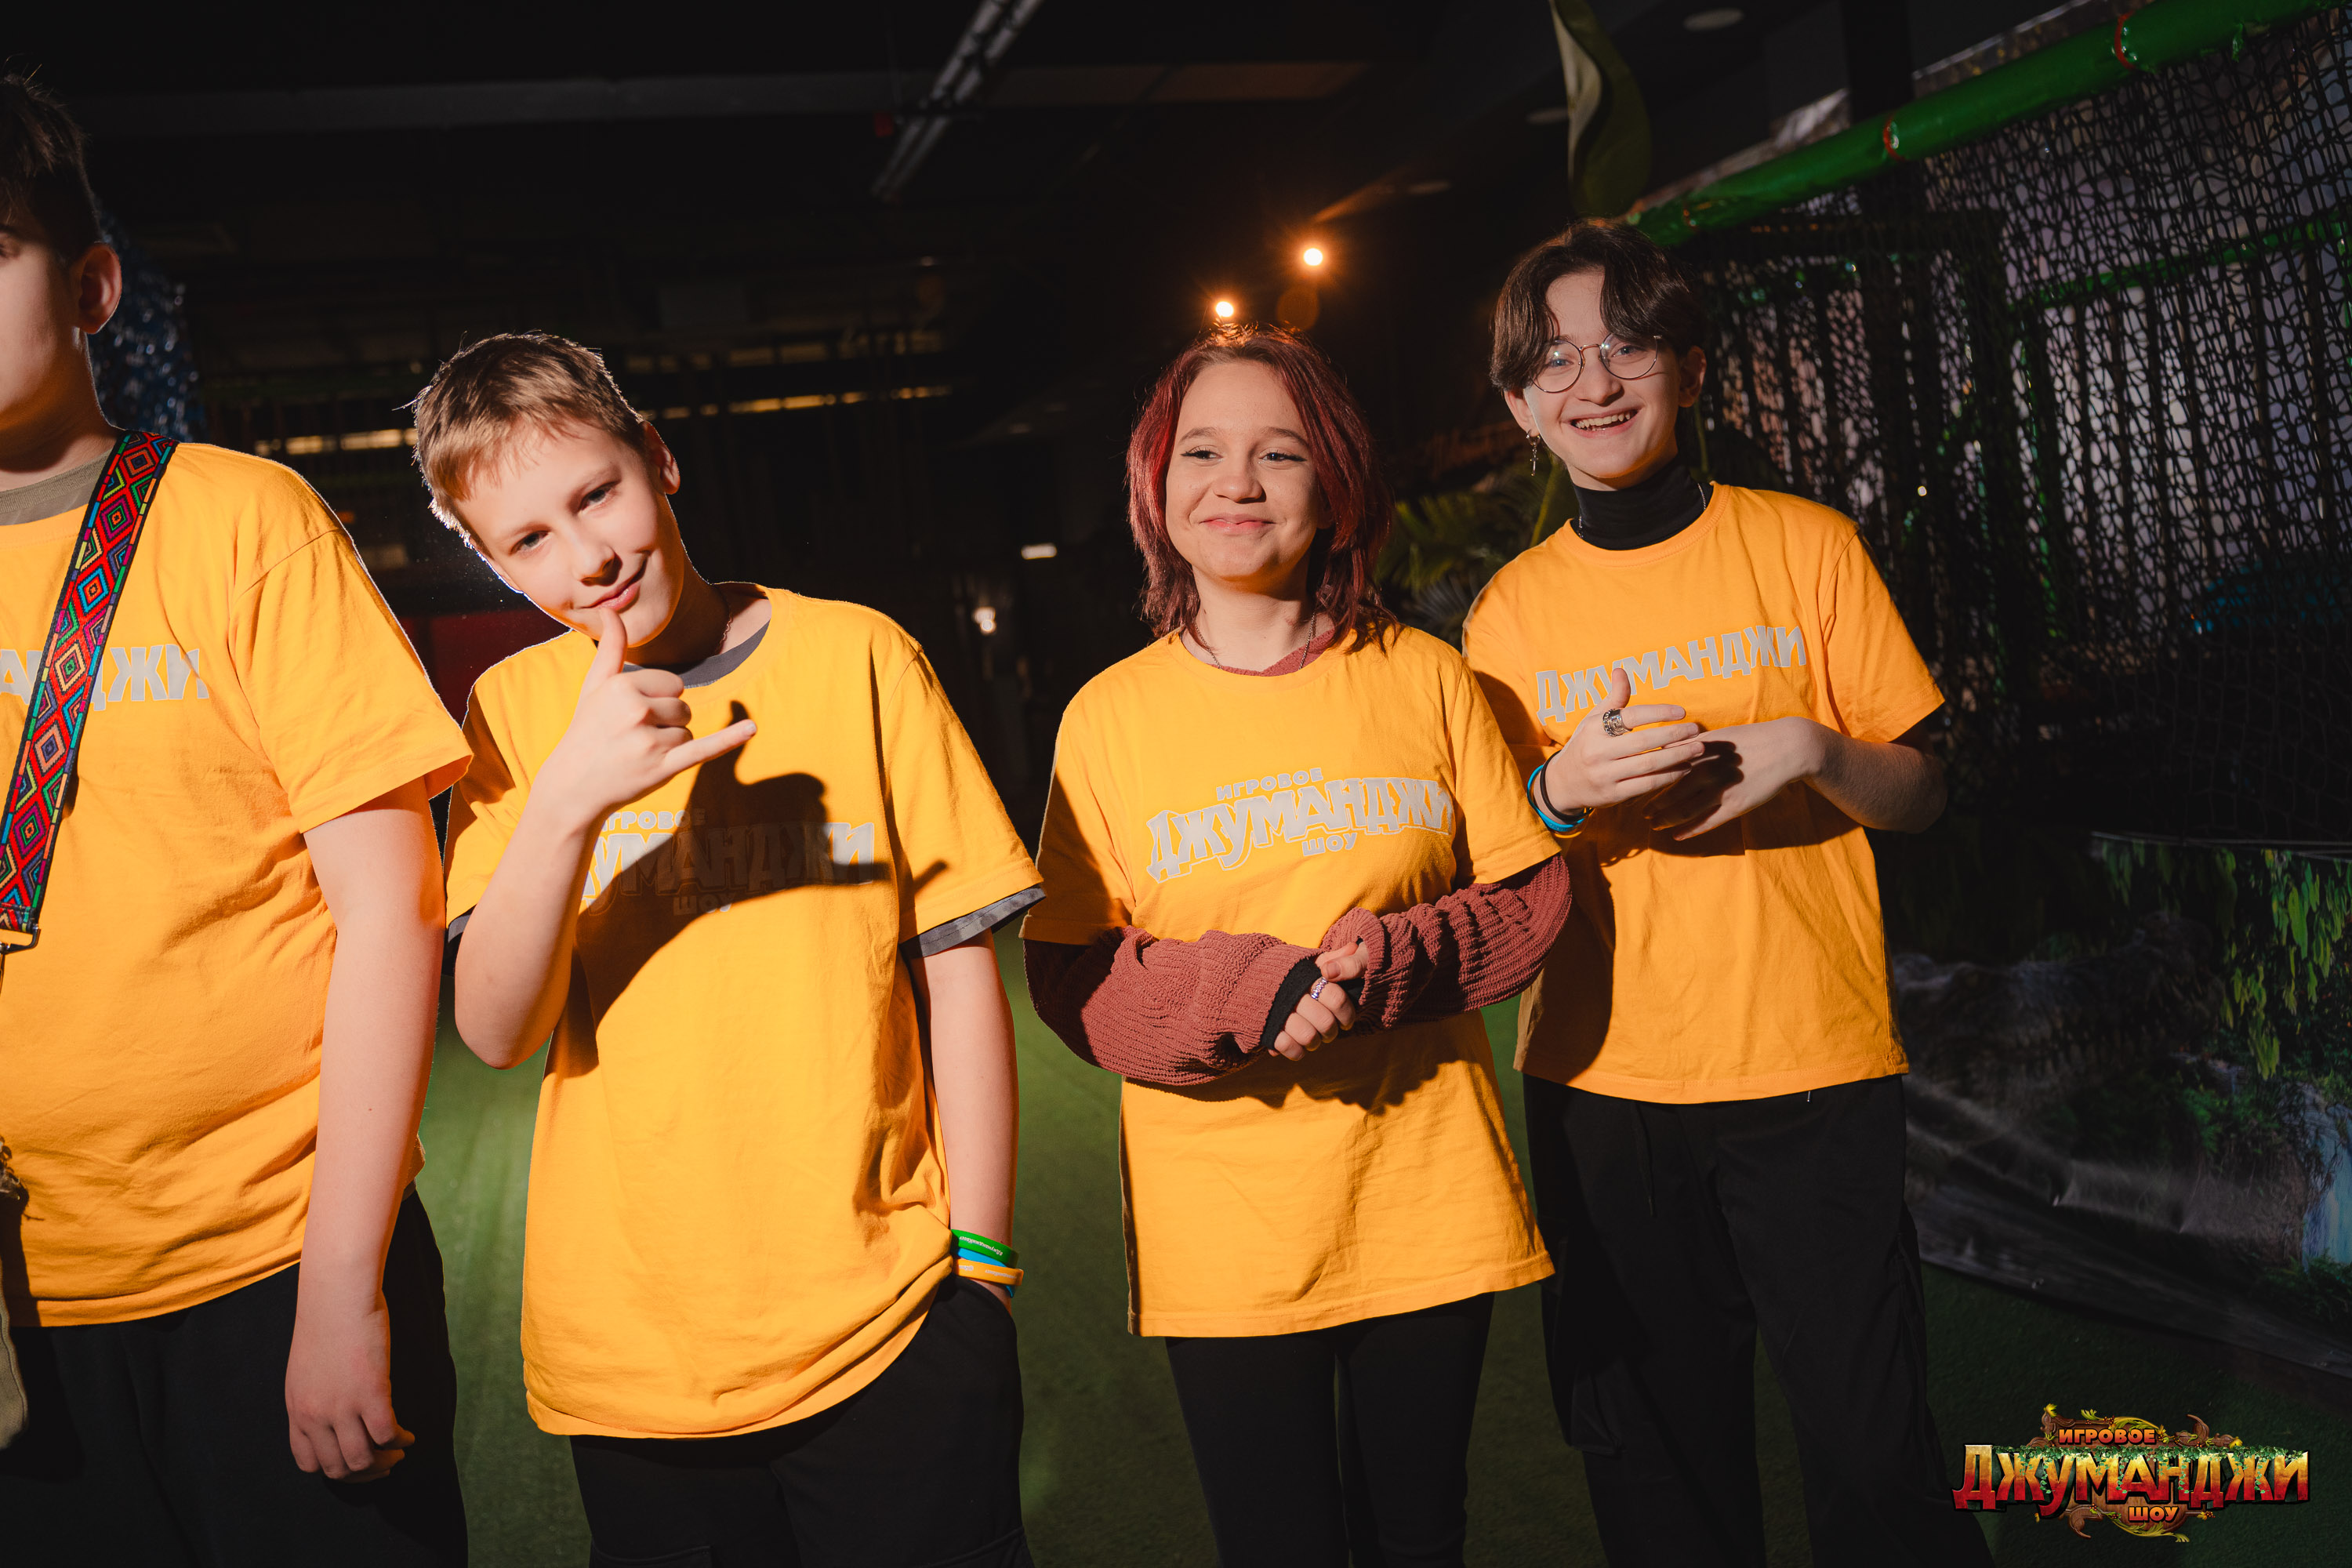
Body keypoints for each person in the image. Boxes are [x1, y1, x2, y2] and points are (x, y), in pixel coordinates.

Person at [423, 332, 1040, 1566]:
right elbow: (496, 1031)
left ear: (658, 459)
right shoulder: (518, 714)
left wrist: (979, 1268)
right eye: (529, 540)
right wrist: (567, 802)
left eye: (597, 495)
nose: (588, 558)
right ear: (490, 564)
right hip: (636, 1354)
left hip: (889, 1316)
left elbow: (957, 970)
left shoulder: (859, 656)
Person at [1463, 220, 1993, 1568]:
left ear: (1690, 368)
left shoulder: (1807, 546)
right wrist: (1557, 794)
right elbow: (1488, 862)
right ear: (1521, 406)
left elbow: (1924, 793)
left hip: (1812, 1068)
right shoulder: (1506, 616)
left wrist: (1814, 752)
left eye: (1627, 346)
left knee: (1873, 1453)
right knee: (1657, 1470)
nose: (1595, 383)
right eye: (1555, 361)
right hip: (1603, 1085)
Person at [0, 76, 472, 1563]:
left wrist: (340, 1288)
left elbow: (391, 913)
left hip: (271, 1268)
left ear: (91, 286)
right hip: (24, 1308)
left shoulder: (240, 521)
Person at [1024, 324, 1570, 1568]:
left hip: (1427, 1204)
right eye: (1202, 452)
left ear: (1336, 486)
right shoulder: (1107, 718)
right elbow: (1071, 977)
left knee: (1420, 1537)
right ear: (1157, 489)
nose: (1239, 482)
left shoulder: (1426, 677)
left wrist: (1389, 965)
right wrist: (1247, 991)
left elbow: (1529, 898)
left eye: (1280, 453)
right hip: (1226, 1232)